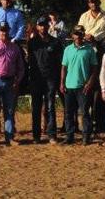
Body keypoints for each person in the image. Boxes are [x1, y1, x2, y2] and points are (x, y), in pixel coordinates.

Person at [78, 0, 105, 133]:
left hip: (102, 48)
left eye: (95, 1)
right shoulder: (84, 16)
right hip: (88, 48)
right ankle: (87, 124)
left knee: (102, 83)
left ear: (99, 2)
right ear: (88, 4)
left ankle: (100, 123)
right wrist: (86, 36)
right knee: (87, 84)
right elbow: (78, 32)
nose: (93, 4)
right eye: (91, 2)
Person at [61, 25, 99, 145]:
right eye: (76, 34)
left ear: (83, 35)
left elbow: (94, 68)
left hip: (83, 86)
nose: (78, 36)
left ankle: (85, 137)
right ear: (72, 35)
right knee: (68, 113)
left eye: (80, 34)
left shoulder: (89, 50)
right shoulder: (67, 50)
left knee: (84, 113)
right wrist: (62, 82)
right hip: (69, 85)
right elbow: (64, 67)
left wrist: (90, 83)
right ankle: (69, 136)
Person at [28, 16, 63, 144]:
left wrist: (59, 80)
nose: (43, 27)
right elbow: (30, 61)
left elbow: (60, 62)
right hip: (36, 79)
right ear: (37, 27)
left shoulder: (56, 42)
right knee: (36, 108)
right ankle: (36, 136)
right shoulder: (32, 42)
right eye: (40, 25)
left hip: (51, 79)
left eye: (45, 25)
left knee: (50, 107)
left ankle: (52, 135)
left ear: (49, 26)